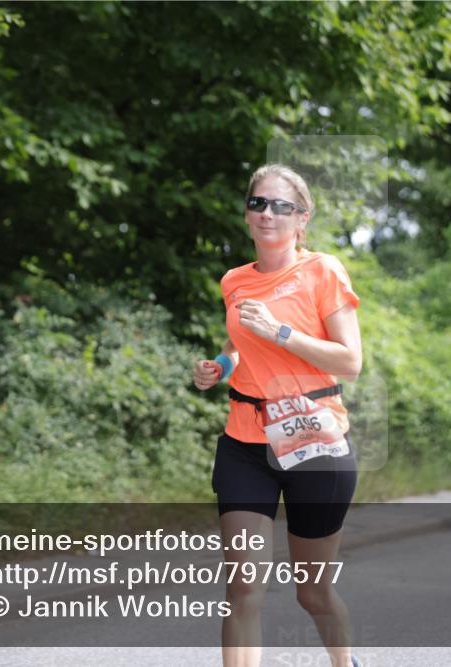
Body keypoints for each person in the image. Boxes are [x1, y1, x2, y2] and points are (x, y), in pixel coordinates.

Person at [192, 164, 363, 667]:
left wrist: (281, 333)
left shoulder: (322, 272)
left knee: (312, 593)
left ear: (301, 219)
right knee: (244, 586)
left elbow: (351, 362)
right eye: (258, 203)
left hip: (314, 442)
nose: (268, 213)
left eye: (282, 206)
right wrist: (219, 366)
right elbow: (239, 343)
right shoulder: (234, 281)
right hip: (245, 444)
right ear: (247, 215)